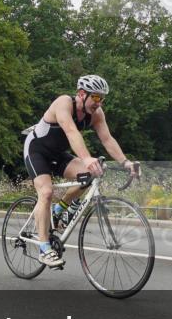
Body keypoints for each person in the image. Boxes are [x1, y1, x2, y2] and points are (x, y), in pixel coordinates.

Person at [22, 75, 137, 268]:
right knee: (47, 192)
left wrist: (126, 162)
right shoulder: (63, 103)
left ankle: (59, 210)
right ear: (82, 94)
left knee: (91, 174)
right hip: (37, 150)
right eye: (97, 97)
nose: (99, 103)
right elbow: (71, 131)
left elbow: (107, 139)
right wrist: (86, 158)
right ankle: (44, 248)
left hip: (58, 154)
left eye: (103, 98)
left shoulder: (97, 114)